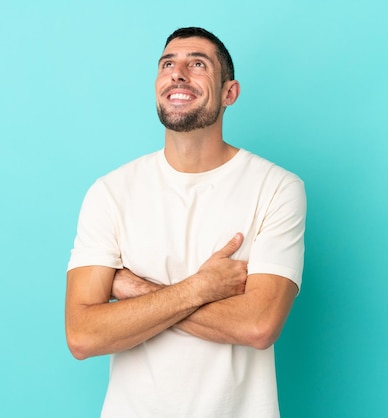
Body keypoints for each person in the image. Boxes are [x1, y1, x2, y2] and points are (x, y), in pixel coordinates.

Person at [65, 27, 306, 417]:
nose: (178, 74)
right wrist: (202, 288)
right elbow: (82, 335)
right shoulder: (110, 192)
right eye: (167, 64)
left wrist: (135, 288)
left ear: (230, 92)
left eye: (197, 64)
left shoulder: (276, 188)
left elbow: (258, 325)